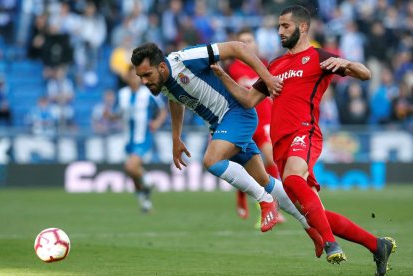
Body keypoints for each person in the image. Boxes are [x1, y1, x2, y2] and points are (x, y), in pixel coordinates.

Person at [211, 5, 397, 275]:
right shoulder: (275, 65)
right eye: (278, 26)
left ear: (302, 27)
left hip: (305, 132)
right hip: (280, 143)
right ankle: (377, 245)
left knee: (294, 181)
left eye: (285, 26)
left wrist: (347, 64)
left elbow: (366, 74)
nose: (280, 31)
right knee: (313, 211)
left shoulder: (318, 57)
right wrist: (222, 75)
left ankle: (331, 244)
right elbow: (249, 99)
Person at [131, 41, 325, 258]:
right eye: (140, 77)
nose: (144, 81)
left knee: (211, 161)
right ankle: (312, 228)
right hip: (221, 125)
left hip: (237, 113)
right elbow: (175, 101)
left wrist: (267, 78)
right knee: (264, 180)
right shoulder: (162, 82)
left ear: (162, 67)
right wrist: (176, 138)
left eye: (147, 74)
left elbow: (237, 47)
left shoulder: (184, 60)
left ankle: (264, 200)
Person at [226, 27, 285, 223]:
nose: (247, 44)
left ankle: (274, 204)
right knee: (243, 164)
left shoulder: (265, 65)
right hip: (244, 122)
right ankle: (241, 195)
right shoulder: (234, 68)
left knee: (270, 160)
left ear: (256, 44)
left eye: (249, 40)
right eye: (242, 41)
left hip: (265, 120)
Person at [117, 66, 168, 213]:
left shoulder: (149, 93)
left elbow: (163, 110)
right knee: (133, 175)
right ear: (126, 77)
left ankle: (148, 181)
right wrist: (109, 116)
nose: (133, 78)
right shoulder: (122, 94)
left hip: (143, 138)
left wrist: (157, 122)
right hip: (127, 139)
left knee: (131, 167)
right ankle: (145, 203)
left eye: (136, 75)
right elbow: (117, 113)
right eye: (130, 75)